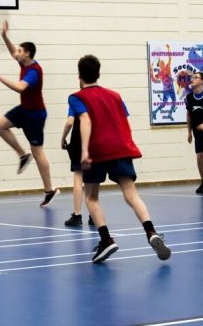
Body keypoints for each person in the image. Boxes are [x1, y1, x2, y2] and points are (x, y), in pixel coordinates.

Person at [71, 54, 171, 263]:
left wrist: (85, 151)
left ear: (79, 76)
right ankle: (151, 232)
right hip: (121, 148)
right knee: (131, 195)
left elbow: (85, 120)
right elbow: (125, 121)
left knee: (91, 197)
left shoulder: (77, 97)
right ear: (99, 74)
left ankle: (106, 240)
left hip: (97, 149)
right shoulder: (115, 96)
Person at [0, 21, 59, 207]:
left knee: (38, 151)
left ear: (27, 53)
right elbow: (12, 52)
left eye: (20, 51)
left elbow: (20, 88)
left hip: (35, 115)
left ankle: (49, 190)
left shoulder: (34, 71)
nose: (16, 53)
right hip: (24, 110)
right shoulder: (24, 63)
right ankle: (22, 155)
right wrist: (4, 36)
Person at [61, 82, 94, 227]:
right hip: (94, 139)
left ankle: (77, 214)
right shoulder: (98, 98)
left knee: (78, 177)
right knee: (92, 179)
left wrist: (63, 138)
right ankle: (94, 214)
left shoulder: (77, 98)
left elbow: (69, 122)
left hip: (78, 140)